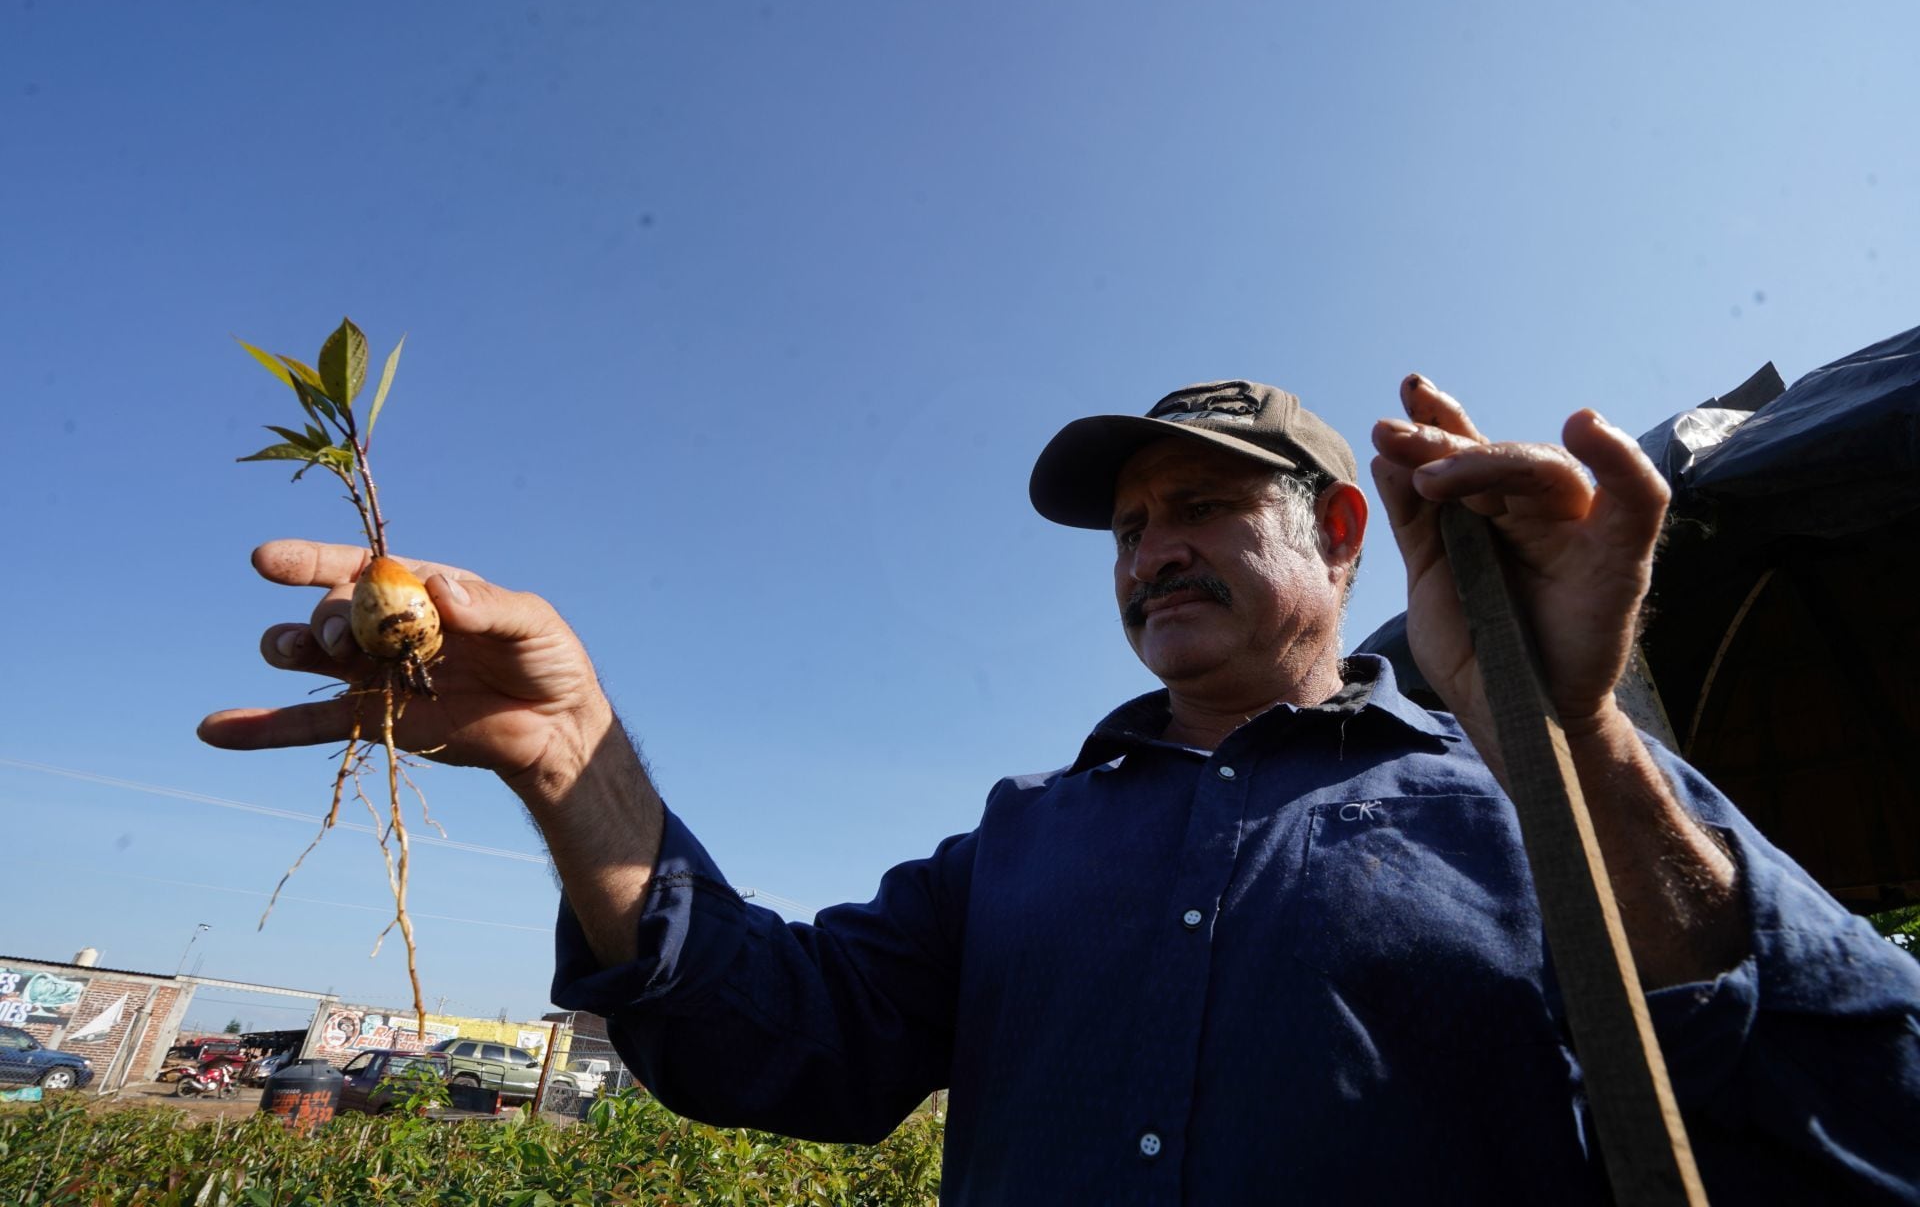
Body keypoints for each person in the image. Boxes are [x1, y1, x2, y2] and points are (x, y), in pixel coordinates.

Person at [201, 375, 1920, 1204]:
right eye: (1126, 530)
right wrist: (571, 755)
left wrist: (1566, 739)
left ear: (1335, 531)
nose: (1154, 550)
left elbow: (1865, 1100)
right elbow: (781, 1037)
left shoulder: (1520, 788)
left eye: (1202, 509)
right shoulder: (1029, 837)